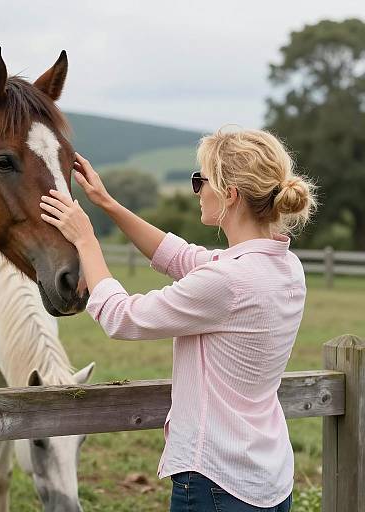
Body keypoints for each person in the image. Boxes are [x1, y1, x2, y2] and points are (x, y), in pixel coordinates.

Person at [39, 128, 317, 512]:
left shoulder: (227, 281)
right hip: (267, 479)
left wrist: (86, 240)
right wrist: (108, 204)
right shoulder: (285, 266)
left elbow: (122, 317)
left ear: (230, 195)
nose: (197, 190)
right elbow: (181, 257)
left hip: (215, 483)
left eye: (199, 180)